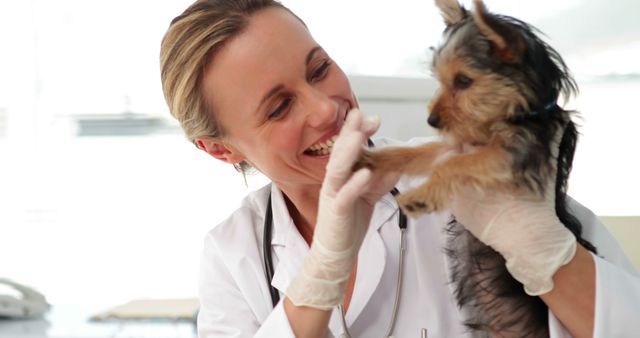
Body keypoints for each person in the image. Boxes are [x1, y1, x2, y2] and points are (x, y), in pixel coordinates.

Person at [159, 0, 640, 337]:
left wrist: (544, 254)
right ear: (221, 150)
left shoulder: (468, 175)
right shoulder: (234, 252)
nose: (325, 108)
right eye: (280, 106)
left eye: (319, 68)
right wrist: (319, 277)